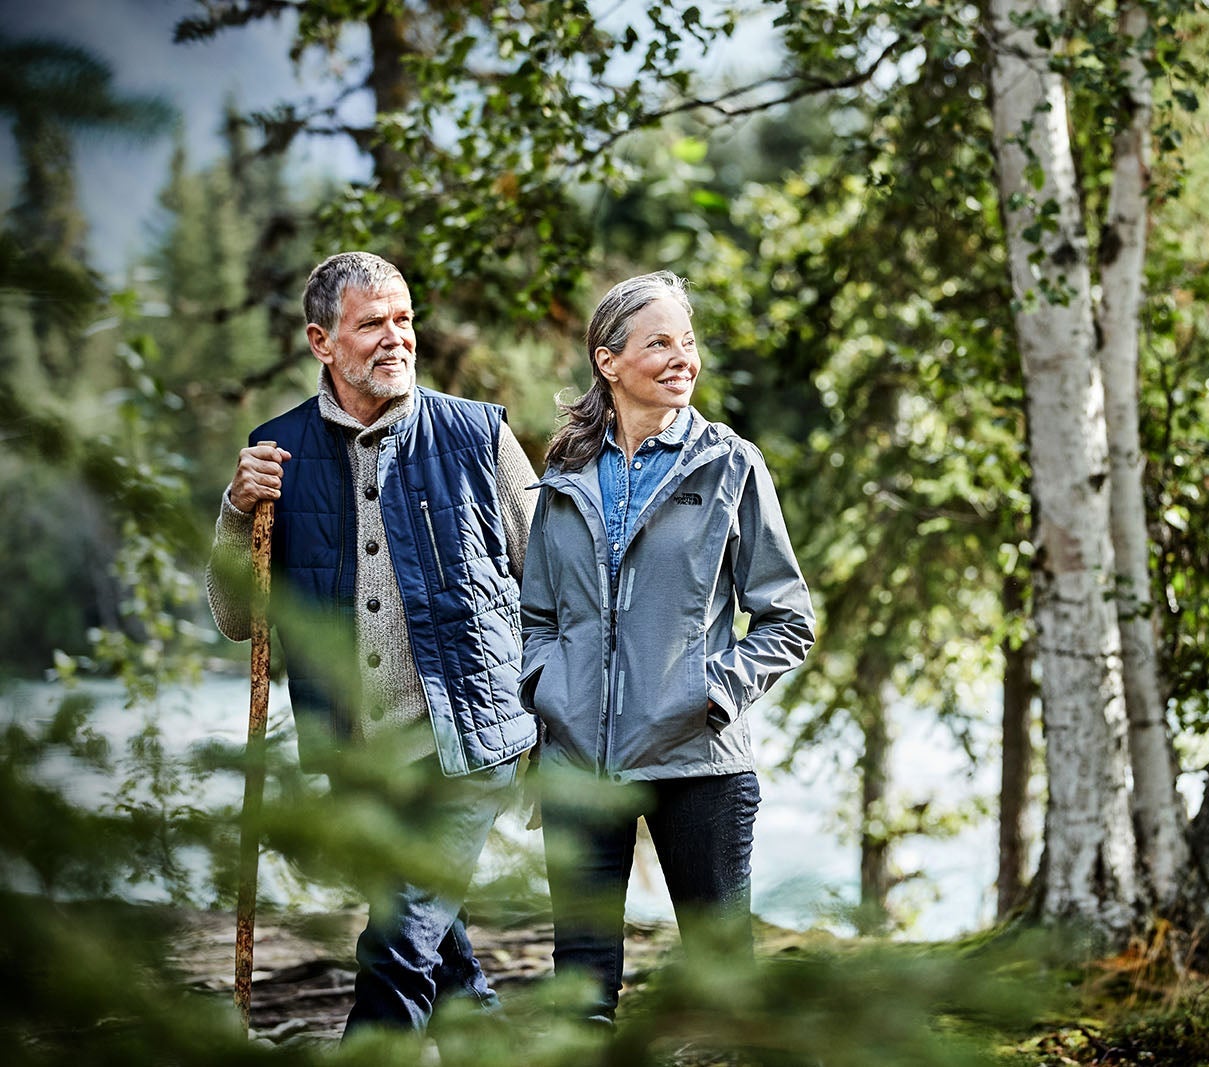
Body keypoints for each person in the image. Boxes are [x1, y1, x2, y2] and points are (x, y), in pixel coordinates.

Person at [205, 251, 539, 1037]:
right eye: (372, 324)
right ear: (322, 341)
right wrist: (233, 509)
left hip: (473, 738)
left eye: (404, 320)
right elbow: (234, 616)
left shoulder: (478, 434)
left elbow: (555, 582)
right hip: (357, 755)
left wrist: (549, 710)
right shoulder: (275, 451)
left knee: (394, 952)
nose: (396, 339)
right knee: (440, 956)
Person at [519, 270, 815, 1024]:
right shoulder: (566, 473)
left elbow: (787, 618)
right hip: (579, 762)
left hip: (698, 764)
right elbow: (539, 614)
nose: (683, 357)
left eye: (688, 341)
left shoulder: (728, 464)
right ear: (608, 361)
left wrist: (713, 694)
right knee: (580, 987)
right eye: (660, 342)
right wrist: (546, 686)